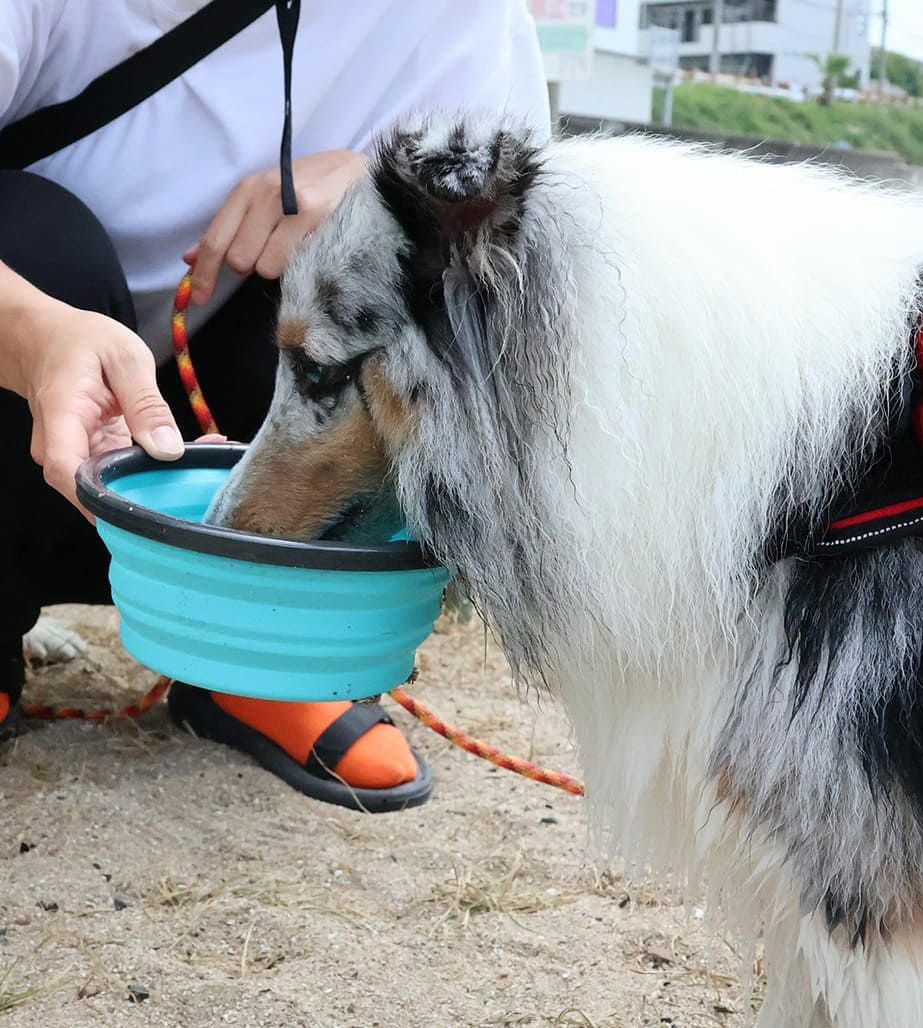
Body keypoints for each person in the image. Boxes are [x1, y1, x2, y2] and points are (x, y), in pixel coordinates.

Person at [0, 0, 549, 810]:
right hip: (21, 386)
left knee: (365, 288)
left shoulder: (470, 24)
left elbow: (520, 295)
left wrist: (385, 201)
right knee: (45, 245)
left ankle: (270, 660)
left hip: (186, 445)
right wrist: (31, 333)